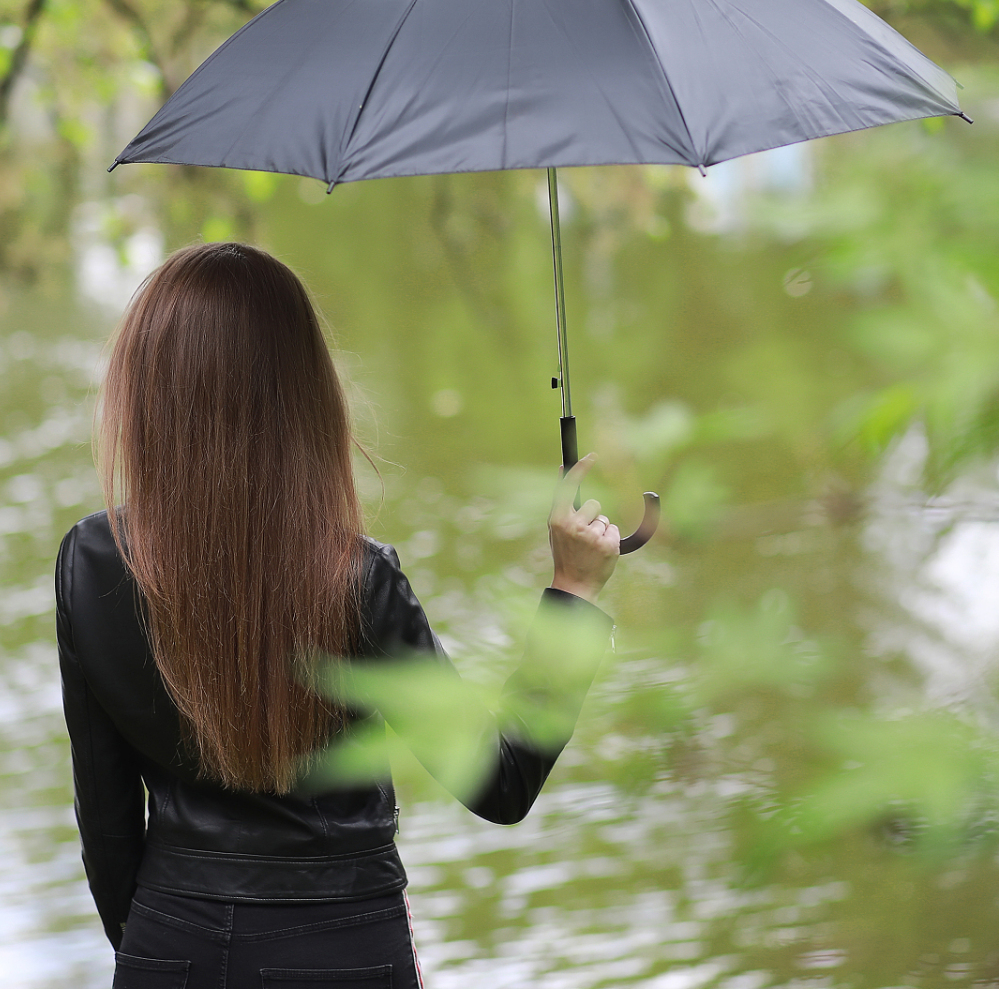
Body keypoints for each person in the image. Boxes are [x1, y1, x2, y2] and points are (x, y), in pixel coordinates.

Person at [55, 241, 621, 989]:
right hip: (341, 948)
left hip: (168, 944)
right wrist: (573, 593)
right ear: (302, 393)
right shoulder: (356, 579)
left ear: (146, 390)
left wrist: (159, 949)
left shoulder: (90, 560)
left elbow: (107, 822)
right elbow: (499, 782)